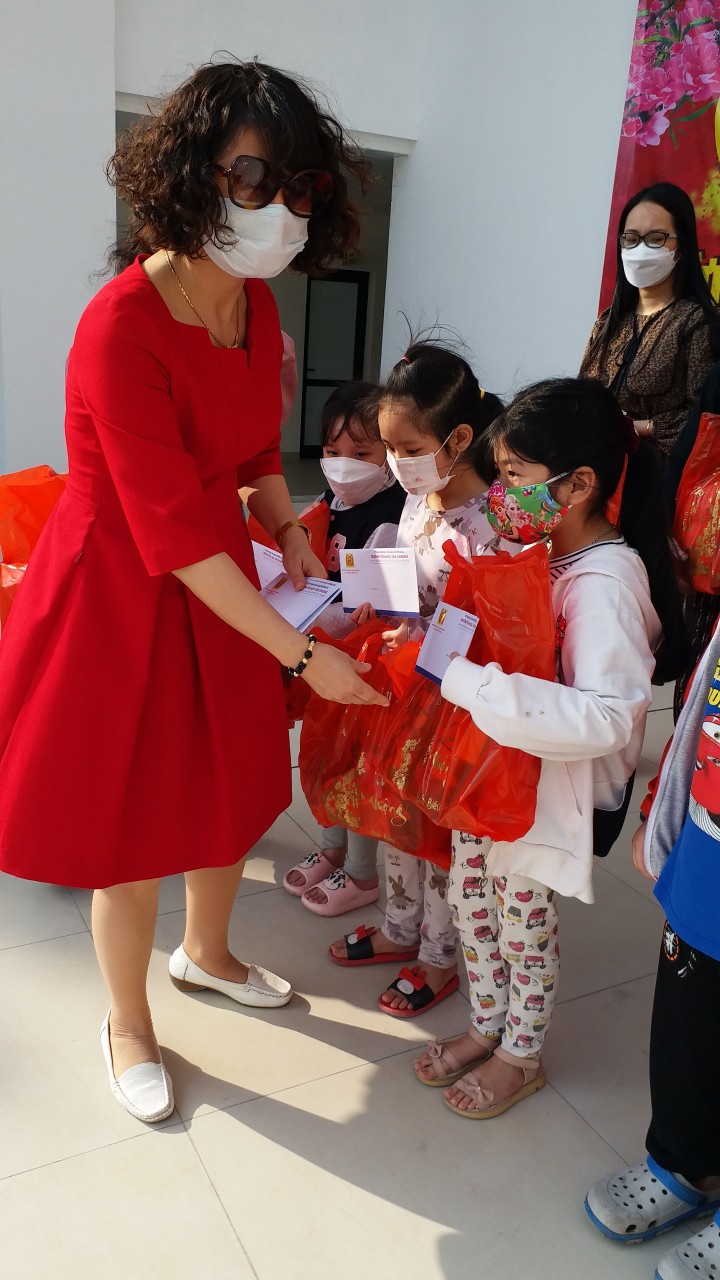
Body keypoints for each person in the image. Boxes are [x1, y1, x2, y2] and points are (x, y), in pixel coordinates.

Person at [0, 59, 387, 1125]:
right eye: (252, 178)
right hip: (121, 587)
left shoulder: (254, 304)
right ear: (188, 175)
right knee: (129, 825)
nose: (277, 207)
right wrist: (302, 653)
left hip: (220, 570)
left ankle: (206, 954)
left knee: (227, 785)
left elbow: (255, 448)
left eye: (299, 186)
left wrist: (287, 529)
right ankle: (127, 1019)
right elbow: (165, 533)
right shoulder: (121, 324)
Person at [412, 377, 687, 1117]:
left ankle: (520, 1053)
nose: (500, 493)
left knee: (521, 927)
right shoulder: (537, 550)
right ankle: (484, 1022)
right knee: (472, 905)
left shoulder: (605, 582)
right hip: (494, 776)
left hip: (545, 799)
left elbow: (608, 717)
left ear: (579, 484)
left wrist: (466, 680)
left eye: (513, 476)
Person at [327, 342, 506, 1017]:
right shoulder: (417, 500)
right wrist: (384, 610)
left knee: (440, 836)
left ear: (458, 439)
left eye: (409, 448)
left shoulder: (495, 521)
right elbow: (410, 586)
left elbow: (494, 626)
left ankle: (438, 955)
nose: (398, 463)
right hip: (407, 690)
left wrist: (428, 637)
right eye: (390, 449)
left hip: (458, 706)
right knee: (398, 814)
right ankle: (401, 927)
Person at [584, 615, 720, 1280]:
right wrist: (659, 809)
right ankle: (684, 1159)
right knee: (688, 1022)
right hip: (709, 839)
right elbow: (701, 695)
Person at [283, 380, 405, 916]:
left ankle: (360, 873)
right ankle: (332, 850)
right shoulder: (328, 503)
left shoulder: (396, 515)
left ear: (389, 455)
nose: (342, 466)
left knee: (360, 766)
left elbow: (384, 605)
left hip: (366, 664)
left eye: (361, 454)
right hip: (323, 655)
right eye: (332, 452)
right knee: (324, 755)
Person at [580, 182, 720, 458]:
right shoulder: (607, 323)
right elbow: (580, 396)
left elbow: (706, 420)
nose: (640, 250)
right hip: (596, 468)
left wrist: (640, 428)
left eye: (656, 239)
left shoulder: (698, 323)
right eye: (631, 239)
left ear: (682, 246)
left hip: (659, 473)